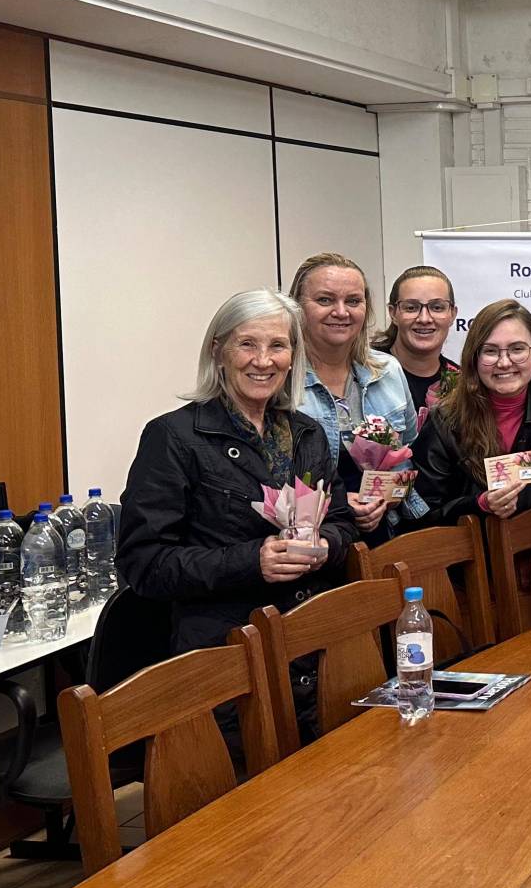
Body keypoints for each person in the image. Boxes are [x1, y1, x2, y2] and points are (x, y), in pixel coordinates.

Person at [119, 288, 357, 656]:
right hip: (227, 654)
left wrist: (326, 546)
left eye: (277, 346)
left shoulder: (307, 434)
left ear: (293, 357)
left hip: (314, 643)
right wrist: (251, 561)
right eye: (247, 344)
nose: (263, 361)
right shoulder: (173, 437)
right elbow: (144, 564)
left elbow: (342, 520)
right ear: (218, 351)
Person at [411, 299, 531, 524]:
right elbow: (424, 516)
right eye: (491, 351)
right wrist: (480, 505)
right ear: (474, 358)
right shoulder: (444, 422)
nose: (504, 363)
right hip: (477, 555)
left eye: (517, 349)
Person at [287, 252, 423, 535]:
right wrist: (336, 503)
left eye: (353, 301)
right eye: (325, 300)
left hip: (386, 532)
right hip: (314, 542)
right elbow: (267, 479)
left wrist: (387, 498)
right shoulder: (282, 381)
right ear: (297, 307)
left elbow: (409, 454)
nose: (341, 312)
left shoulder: (387, 370)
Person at [375, 264, 460, 428]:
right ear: (393, 313)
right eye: (411, 307)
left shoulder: (461, 383)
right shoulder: (365, 373)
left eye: (437, 307)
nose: (424, 318)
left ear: (452, 314)